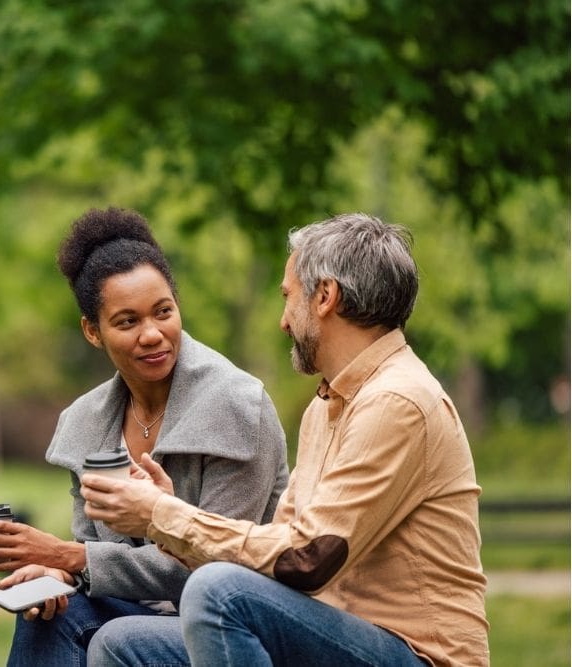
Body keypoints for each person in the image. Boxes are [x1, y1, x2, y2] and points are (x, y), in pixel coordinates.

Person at [81, 213, 489, 666]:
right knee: (122, 643)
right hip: (336, 636)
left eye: (287, 297)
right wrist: (169, 522)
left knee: (219, 593)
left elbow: (307, 560)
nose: (282, 321)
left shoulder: (397, 402)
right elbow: (278, 547)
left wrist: (162, 514)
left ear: (325, 297)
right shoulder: (328, 405)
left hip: (415, 654)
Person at [0, 206, 290, 666]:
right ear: (92, 332)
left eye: (163, 312)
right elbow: (93, 553)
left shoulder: (236, 404)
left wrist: (72, 557)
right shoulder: (87, 423)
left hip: (236, 622)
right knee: (49, 613)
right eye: (127, 321)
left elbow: (221, 570)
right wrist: (59, 573)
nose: (153, 334)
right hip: (143, 612)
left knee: (115, 636)